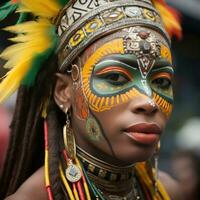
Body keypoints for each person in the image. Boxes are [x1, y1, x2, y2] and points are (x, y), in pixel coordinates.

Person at [0, 0, 182, 199]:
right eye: (115, 77)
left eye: (162, 81)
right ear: (64, 91)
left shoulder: (171, 192)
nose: (149, 102)